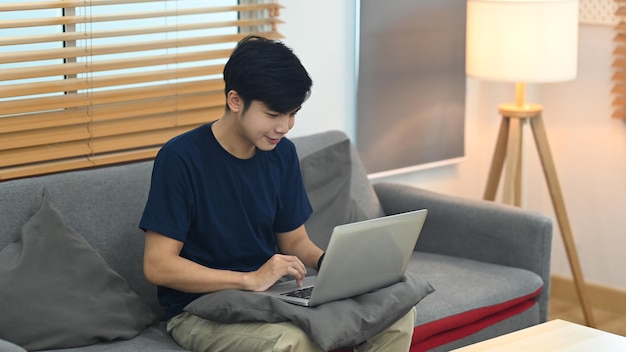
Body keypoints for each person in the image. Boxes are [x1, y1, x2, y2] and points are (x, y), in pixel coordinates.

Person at [139, 35, 416, 352]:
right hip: (200, 310)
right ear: (235, 100)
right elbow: (158, 265)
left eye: (292, 113)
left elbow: (294, 241)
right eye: (273, 115)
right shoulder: (181, 158)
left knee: (396, 315)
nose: (284, 127)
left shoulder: (282, 154)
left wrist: (333, 265)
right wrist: (248, 279)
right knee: (293, 341)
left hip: (270, 296)